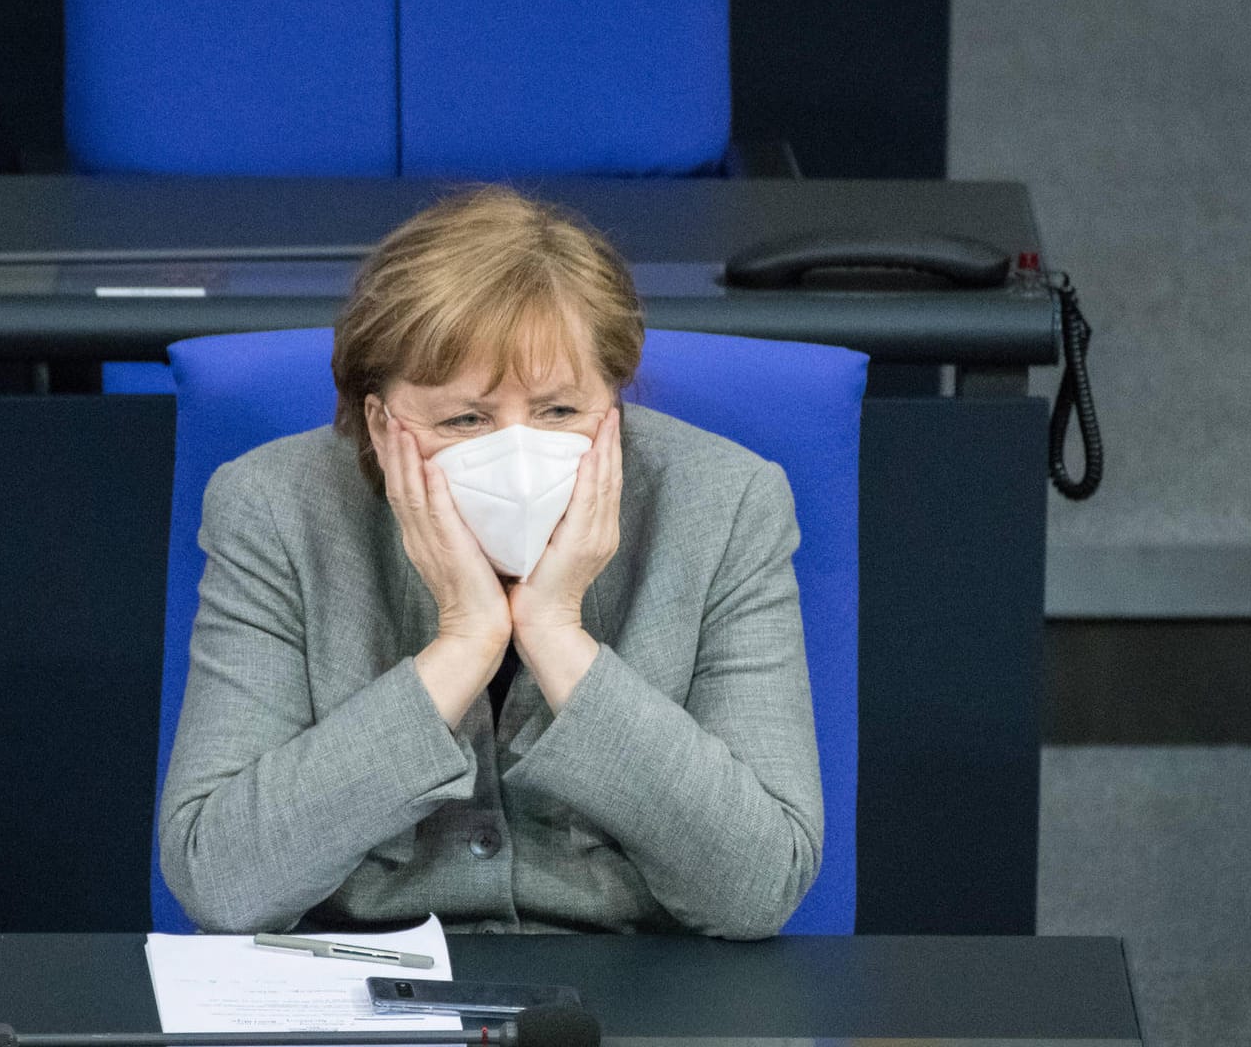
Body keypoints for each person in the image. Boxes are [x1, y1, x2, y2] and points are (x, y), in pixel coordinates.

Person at [158, 186, 821, 939]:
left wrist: (558, 634)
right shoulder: (274, 508)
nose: (518, 453)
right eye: (466, 419)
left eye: (560, 412)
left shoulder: (727, 505)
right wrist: (463, 645)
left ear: (615, 398)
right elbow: (221, 883)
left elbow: (760, 888)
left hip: (634, 999)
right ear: (379, 422)